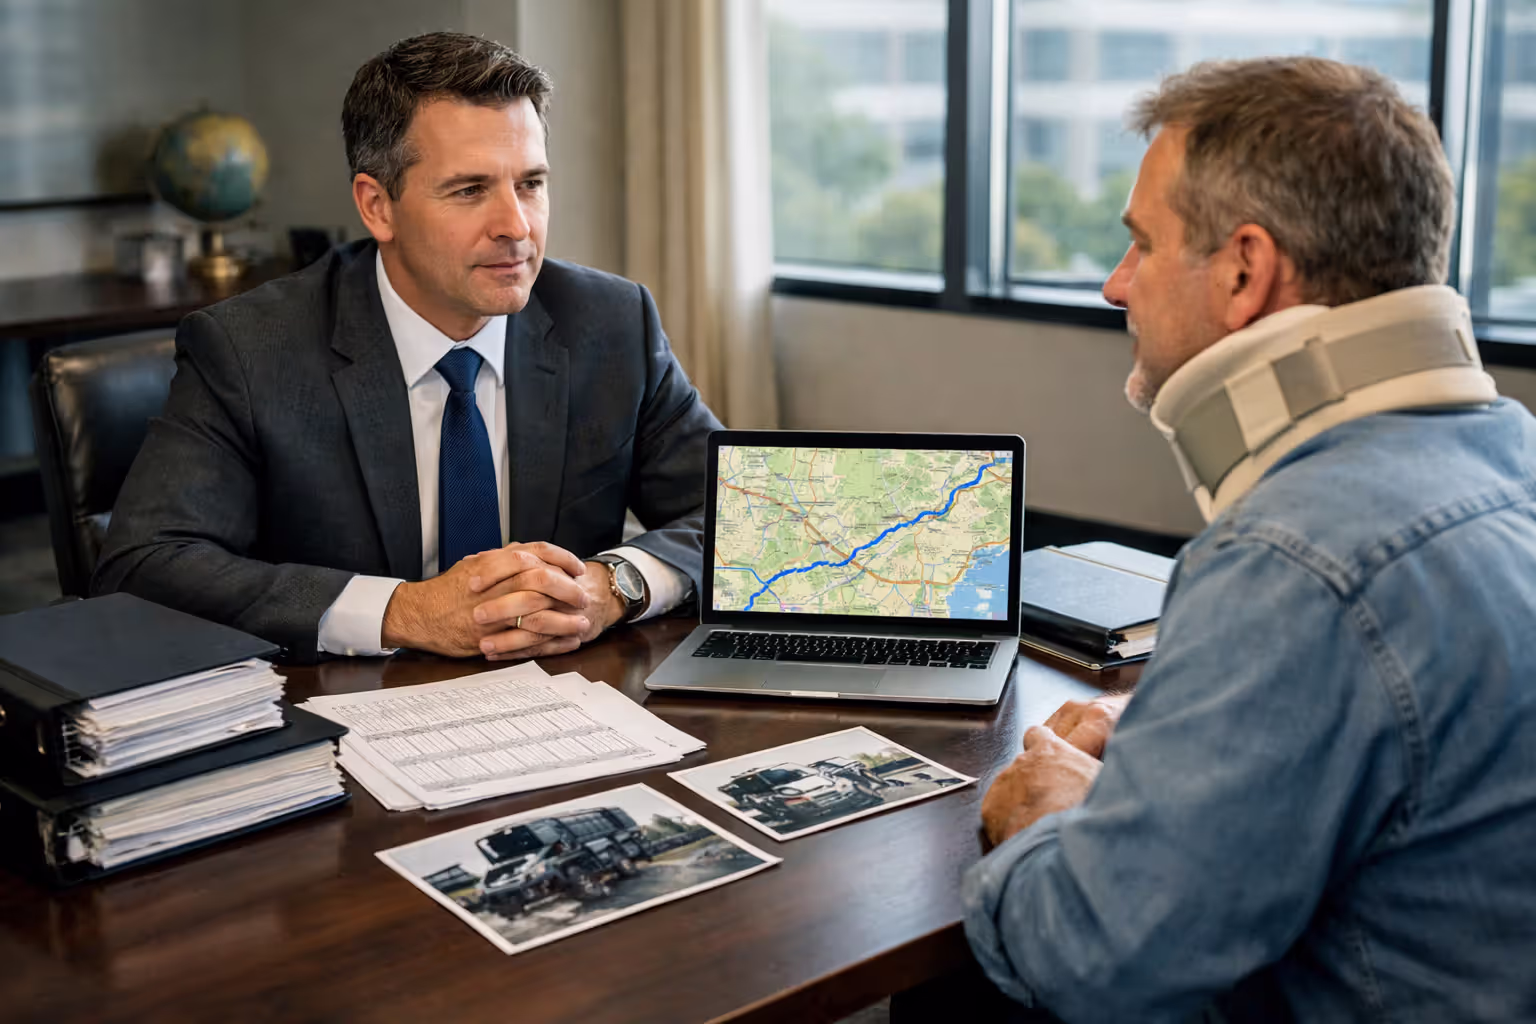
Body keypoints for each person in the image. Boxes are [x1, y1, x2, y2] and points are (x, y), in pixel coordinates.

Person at [963, 57, 1536, 1022]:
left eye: (1141, 245)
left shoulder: (1292, 561)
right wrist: (1166, 761)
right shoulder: (1514, 459)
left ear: (1243, 270)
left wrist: (1045, 817)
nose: (1116, 287)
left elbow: (1097, 958)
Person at [93, 32, 721, 663]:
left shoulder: (610, 322)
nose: (517, 226)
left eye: (530, 183)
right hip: (346, 710)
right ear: (377, 206)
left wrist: (616, 586)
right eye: (470, 190)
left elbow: (744, 513)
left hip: (566, 708)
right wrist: (403, 612)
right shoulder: (250, 349)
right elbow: (145, 564)